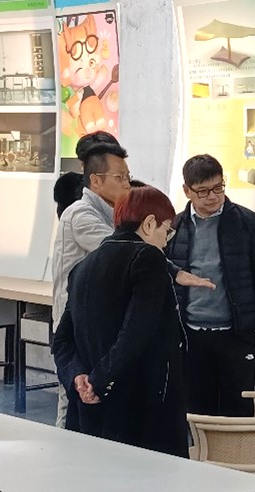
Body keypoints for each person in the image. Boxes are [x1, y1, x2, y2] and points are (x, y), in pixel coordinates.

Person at [51, 185, 236, 492]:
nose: (167, 240)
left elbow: (62, 340)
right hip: (147, 408)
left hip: (96, 412)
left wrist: (80, 379)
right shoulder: (147, 260)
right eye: (167, 230)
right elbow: (137, 333)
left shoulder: (84, 268)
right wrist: (100, 379)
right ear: (149, 223)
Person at [50, 133, 211, 428]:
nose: (126, 183)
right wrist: (174, 271)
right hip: (97, 344)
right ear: (95, 180)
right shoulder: (83, 216)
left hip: (96, 348)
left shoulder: (106, 240)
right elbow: (135, 330)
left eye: (128, 176)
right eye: (120, 177)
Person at [165, 154, 255, 417]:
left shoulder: (247, 222)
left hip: (236, 332)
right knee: (196, 408)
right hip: (190, 333)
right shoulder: (175, 226)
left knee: (237, 407)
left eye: (218, 188)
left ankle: (236, 447)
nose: (213, 197)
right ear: (187, 191)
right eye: (203, 191)